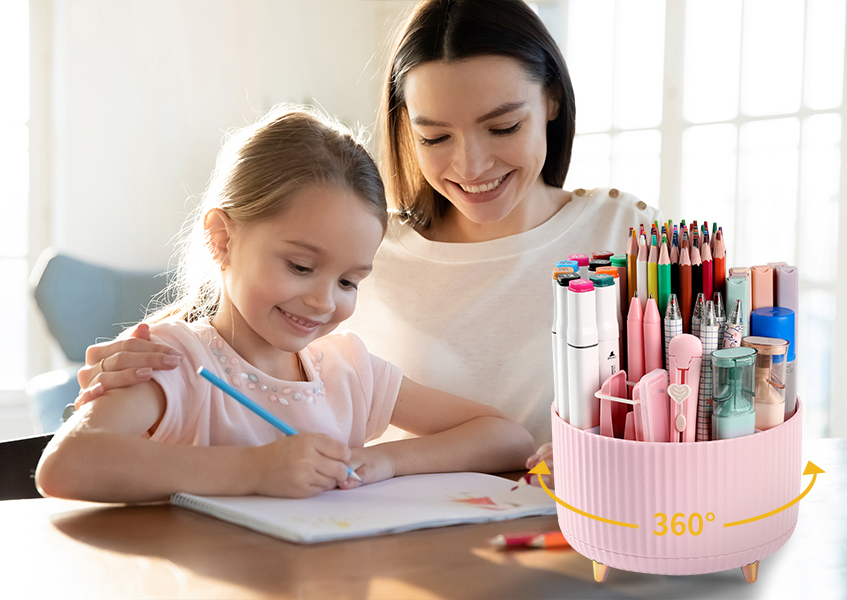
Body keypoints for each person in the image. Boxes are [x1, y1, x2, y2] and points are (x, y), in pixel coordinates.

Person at [72, 0, 662, 490]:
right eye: (435, 136)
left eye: (503, 126)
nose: (471, 165)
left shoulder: (629, 236)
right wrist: (138, 355)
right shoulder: (365, 243)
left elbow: (686, 404)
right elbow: (235, 324)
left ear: (552, 100)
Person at [35, 106, 535, 502]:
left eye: (348, 281)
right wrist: (255, 470)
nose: (322, 301)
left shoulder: (347, 372)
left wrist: (384, 460)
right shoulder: (176, 360)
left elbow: (507, 438)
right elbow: (66, 465)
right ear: (222, 239)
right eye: (299, 266)